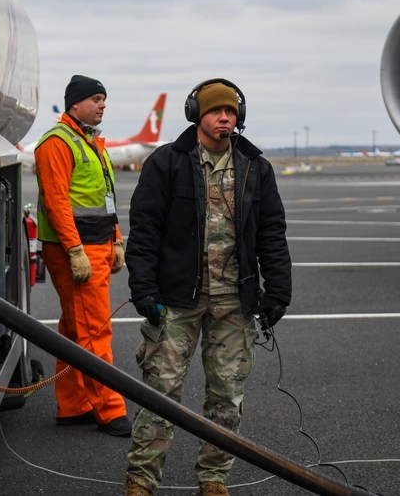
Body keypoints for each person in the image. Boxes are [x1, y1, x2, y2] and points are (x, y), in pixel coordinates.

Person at [123, 78, 292, 496]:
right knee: (160, 394)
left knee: (226, 398)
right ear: (197, 115)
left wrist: (278, 291)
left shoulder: (255, 167)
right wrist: (144, 290)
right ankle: (141, 480)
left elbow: (272, 232)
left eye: (231, 111)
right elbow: (144, 230)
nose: (224, 118)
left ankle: (214, 479)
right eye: (216, 111)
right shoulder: (167, 163)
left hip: (234, 302)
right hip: (176, 300)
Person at [34, 74, 131, 436]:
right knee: (94, 330)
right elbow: (56, 201)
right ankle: (110, 409)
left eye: (104, 99)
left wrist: (116, 239)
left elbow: (104, 198)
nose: (103, 105)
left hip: (96, 244)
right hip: (77, 248)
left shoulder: (89, 142)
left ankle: (74, 404)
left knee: (75, 328)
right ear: (75, 104)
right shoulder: (57, 143)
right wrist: (75, 251)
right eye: (95, 99)